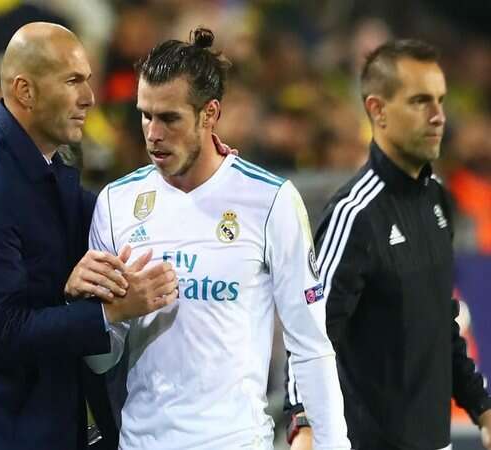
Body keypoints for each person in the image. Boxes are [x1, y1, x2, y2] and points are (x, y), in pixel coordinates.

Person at [84, 27, 350, 450]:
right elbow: (102, 361)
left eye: (170, 118)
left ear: (210, 114)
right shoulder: (116, 204)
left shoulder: (269, 201)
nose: (153, 133)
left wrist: (334, 444)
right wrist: (103, 311)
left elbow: (311, 345)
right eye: (145, 115)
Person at [0, 22, 178, 450]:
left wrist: (207, 175)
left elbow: (122, 216)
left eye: (88, 80)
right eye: (72, 81)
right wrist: (111, 312)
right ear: (25, 91)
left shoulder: (52, 176)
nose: (89, 97)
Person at [284, 39, 491, 450]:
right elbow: (311, 332)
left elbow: (441, 325)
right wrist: (302, 421)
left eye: (440, 100)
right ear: (377, 110)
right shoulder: (355, 215)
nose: (438, 116)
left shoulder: (437, 200)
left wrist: (482, 409)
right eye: (419, 101)